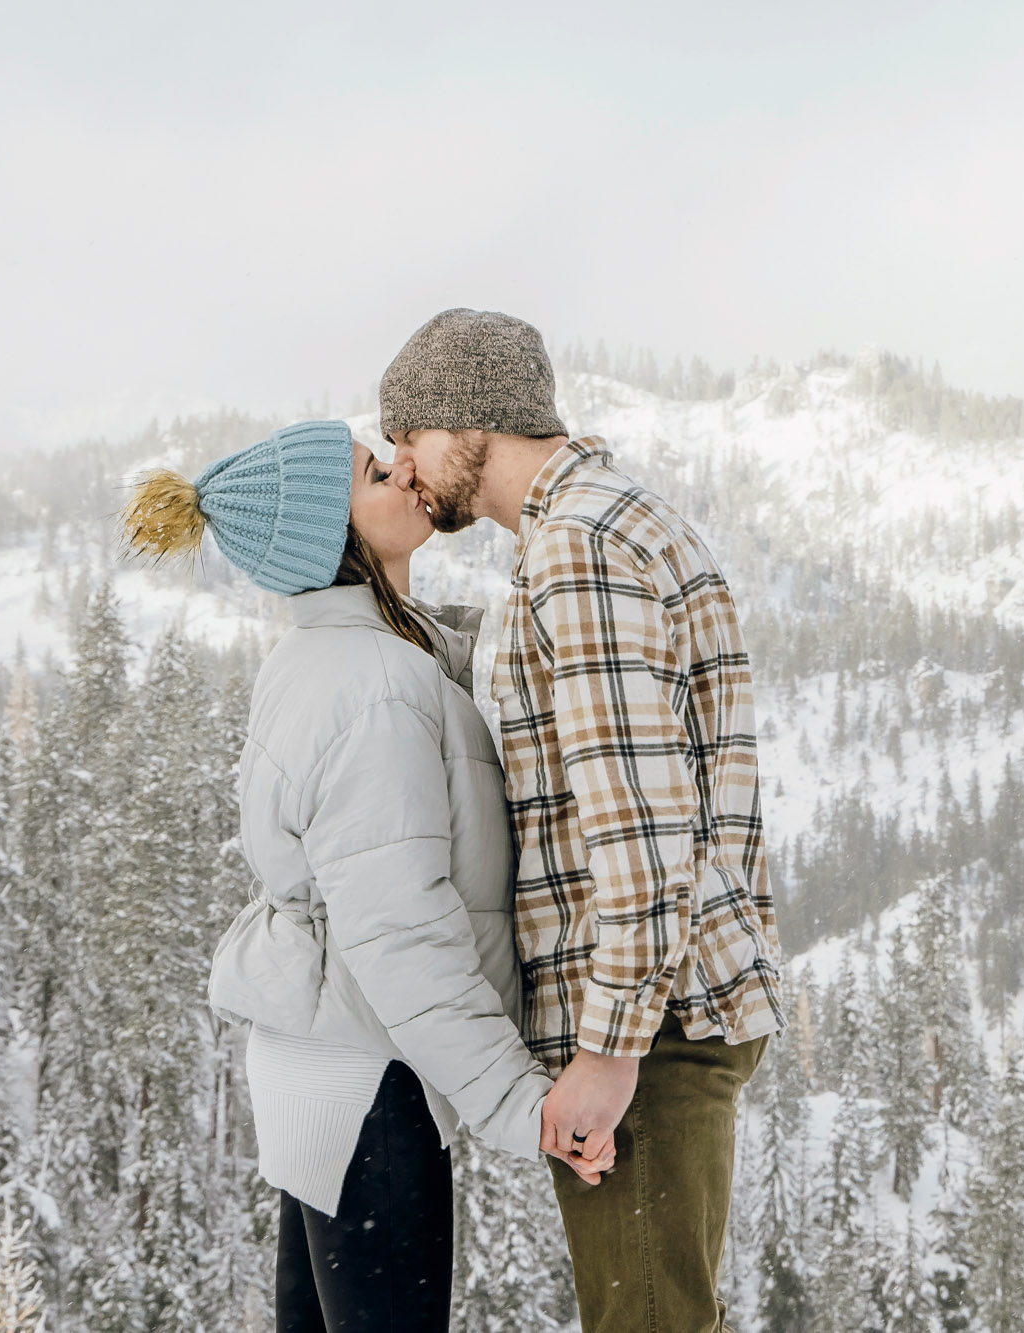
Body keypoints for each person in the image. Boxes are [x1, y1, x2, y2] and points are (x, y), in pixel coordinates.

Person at [120, 418, 610, 1333]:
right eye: (375, 472)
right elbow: (401, 936)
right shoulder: (374, 688)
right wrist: (519, 1102)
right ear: (329, 535)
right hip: (372, 1083)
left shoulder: (330, 660)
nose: (406, 473)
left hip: (326, 1068)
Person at [380, 310, 787, 1333]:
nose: (404, 468)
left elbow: (640, 827)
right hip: (668, 1010)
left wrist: (608, 1049)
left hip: (646, 1030)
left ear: (470, 418)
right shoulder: (604, 524)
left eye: (408, 437)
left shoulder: (578, 548)